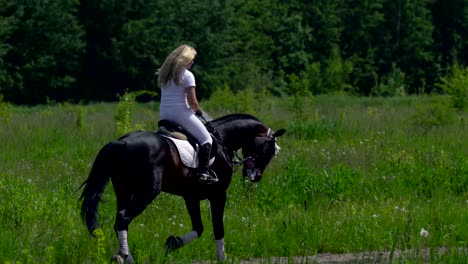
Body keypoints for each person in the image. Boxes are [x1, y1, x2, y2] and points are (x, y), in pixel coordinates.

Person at [156, 44, 217, 183]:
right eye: (191, 59)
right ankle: (203, 172)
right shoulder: (187, 75)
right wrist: (199, 112)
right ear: (185, 59)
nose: (193, 62)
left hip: (164, 113)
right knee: (207, 140)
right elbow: (193, 103)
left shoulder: (165, 74)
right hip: (180, 113)